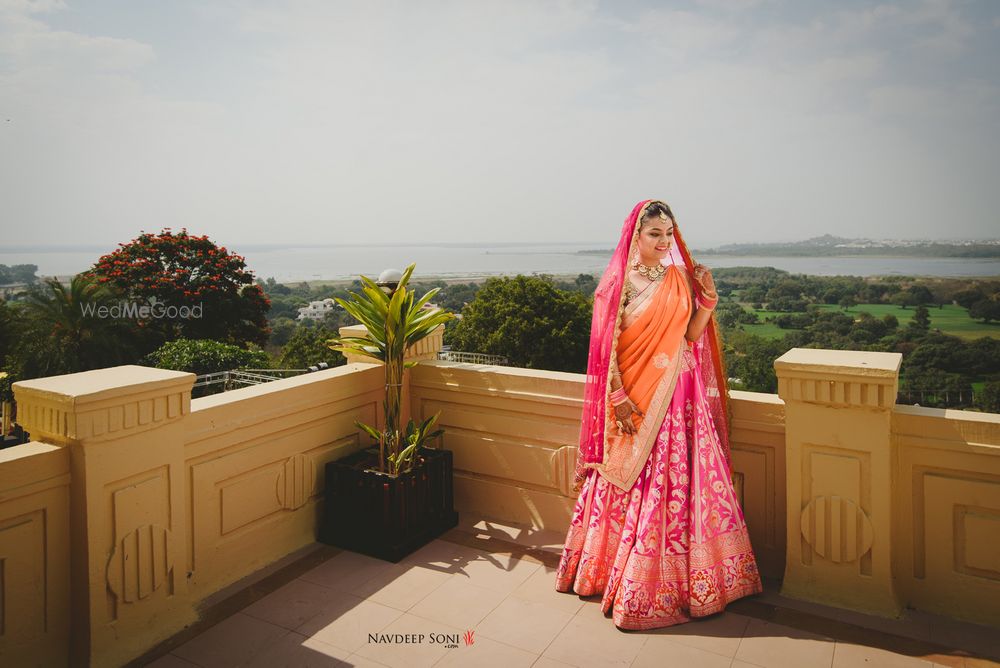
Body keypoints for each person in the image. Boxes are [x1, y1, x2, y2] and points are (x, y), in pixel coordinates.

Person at [555, 199, 763, 630]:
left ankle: (697, 579)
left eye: (669, 234)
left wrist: (707, 298)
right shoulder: (616, 284)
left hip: (682, 396)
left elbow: (689, 336)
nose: (664, 241)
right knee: (633, 479)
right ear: (635, 235)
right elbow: (603, 350)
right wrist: (617, 397)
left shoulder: (680, 278)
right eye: (655, 234)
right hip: (637, 397)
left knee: (686, 483)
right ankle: (624, 575)